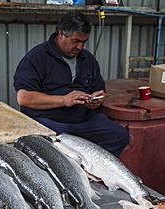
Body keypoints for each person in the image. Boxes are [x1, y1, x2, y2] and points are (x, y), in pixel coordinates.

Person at [13, 10, 129, 157]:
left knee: (119, 135)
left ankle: (88, 169)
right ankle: (71, 169)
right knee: (50, 145)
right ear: (60, 34)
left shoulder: (87, 58)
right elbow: (24, 98)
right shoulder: (37, 58)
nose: (80, 47)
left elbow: (100, 90)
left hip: (84, 120)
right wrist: (64, 100)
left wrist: (97, 100)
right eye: (75, 41)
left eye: (84, 42)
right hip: (49, 121)